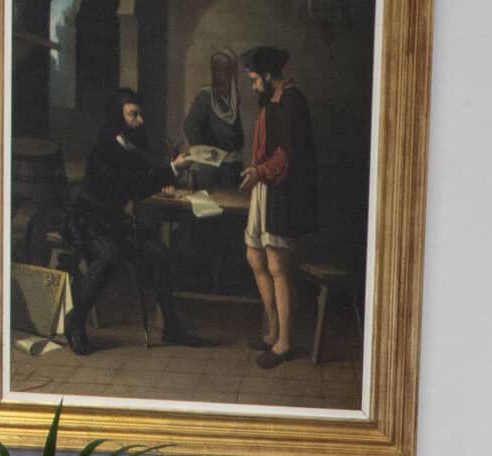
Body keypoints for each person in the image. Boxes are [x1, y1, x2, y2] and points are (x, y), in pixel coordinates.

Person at [63, 87, 209, 357]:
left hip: (115, 224)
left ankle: (171, 327)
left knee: (160, 254)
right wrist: (172, 169)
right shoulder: (104, 150)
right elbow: (131, 185)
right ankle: (76, 321)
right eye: (133, 115)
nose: (140, 121)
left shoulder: (129, 149)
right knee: (108, 256)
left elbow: (144, 180)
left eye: (140, 114)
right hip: (89, 223)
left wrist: (167, 174)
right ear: (117, 118)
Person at [239, 45, 316, 370]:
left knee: (278, 266)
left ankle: (284, 341)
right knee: (255, 256)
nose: (253, 85)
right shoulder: (272, 100)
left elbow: (287, 155)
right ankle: (271, 330)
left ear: (269, 75)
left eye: (255, 79)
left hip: (284, 191)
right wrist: (257, 171)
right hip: (264, 186)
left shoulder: (292, 101)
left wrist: (259, 172)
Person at [179, 48, 245, 190]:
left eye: (224, 71)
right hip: (212, 169)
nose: (219, 76)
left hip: (233, 167)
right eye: (216, 70)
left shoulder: (232, 99)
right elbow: (190, 127)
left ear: (232, 73)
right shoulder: (205, 97)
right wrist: (206, 155)